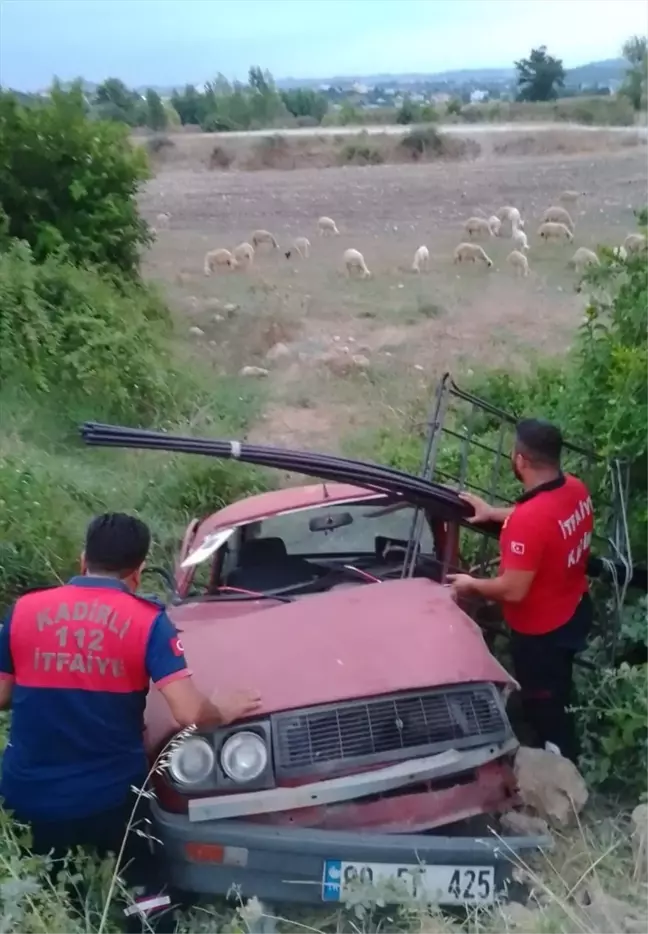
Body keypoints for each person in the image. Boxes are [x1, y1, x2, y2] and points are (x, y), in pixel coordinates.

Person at [0, 513, 261, 933]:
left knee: (48, 895)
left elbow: (2, 696)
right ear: (138, 573)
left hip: (25, 794)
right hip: (108, 801)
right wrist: (222, 708)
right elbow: (190, 713)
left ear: (82, 560)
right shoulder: (147, 621)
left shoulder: (24, 610)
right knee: (147, 882)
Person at [447, 418, 594, 764]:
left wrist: (470, 584)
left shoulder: (529, 521)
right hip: (574, 609)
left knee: (545, 705)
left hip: (541, 633)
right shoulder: (574, 489)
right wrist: (492, 512)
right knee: (560, 687)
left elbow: (513, 590)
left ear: (520, 460)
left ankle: (559, 763)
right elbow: (543, 519)